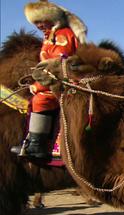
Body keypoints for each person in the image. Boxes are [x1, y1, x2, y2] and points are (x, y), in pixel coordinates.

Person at [11, 0, 86, 159]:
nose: (38, 25)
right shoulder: (50, 37)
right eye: (35, 23)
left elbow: (57, 68)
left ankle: (38, 146)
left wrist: (38, 86)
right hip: (54, 81)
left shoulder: (63, 36)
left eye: (40, 21)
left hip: (64, 84)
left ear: (50, 18)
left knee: (41, 100)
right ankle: (32, 139)